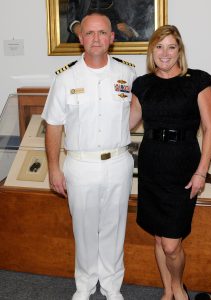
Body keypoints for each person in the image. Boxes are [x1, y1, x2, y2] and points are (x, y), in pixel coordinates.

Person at [42, 12, 136, 300]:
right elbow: (54, 125)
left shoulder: (128, 74)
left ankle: (111, 286)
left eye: (102, 33)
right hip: (80, 165)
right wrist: (55, 169)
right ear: (80, 38)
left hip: (118, 162)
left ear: (112, 38)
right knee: (83, 228)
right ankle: (84, 286)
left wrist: (119, 130)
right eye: (90, 33)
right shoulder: (65, 77)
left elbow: (138, 109)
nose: (96, 38)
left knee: (114, 227)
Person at [130, 25, 211, 300]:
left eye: (171, 46)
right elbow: (127, 123)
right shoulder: (142, 84)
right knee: (159, 237)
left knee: (171, 244)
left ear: (179, 50)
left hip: (183, 167)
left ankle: (178, 287)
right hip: (151, 165)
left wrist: (201, 172)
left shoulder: (198, 80)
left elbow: (210, 129)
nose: (165, 53)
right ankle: (167, 290)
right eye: (159, 46)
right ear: (151, 50)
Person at [67, 0, 138, 42]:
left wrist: (123, 29)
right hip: (82, 43)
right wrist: (75, 26)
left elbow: (131, 30)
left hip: (118, 41)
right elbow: (72, 18)